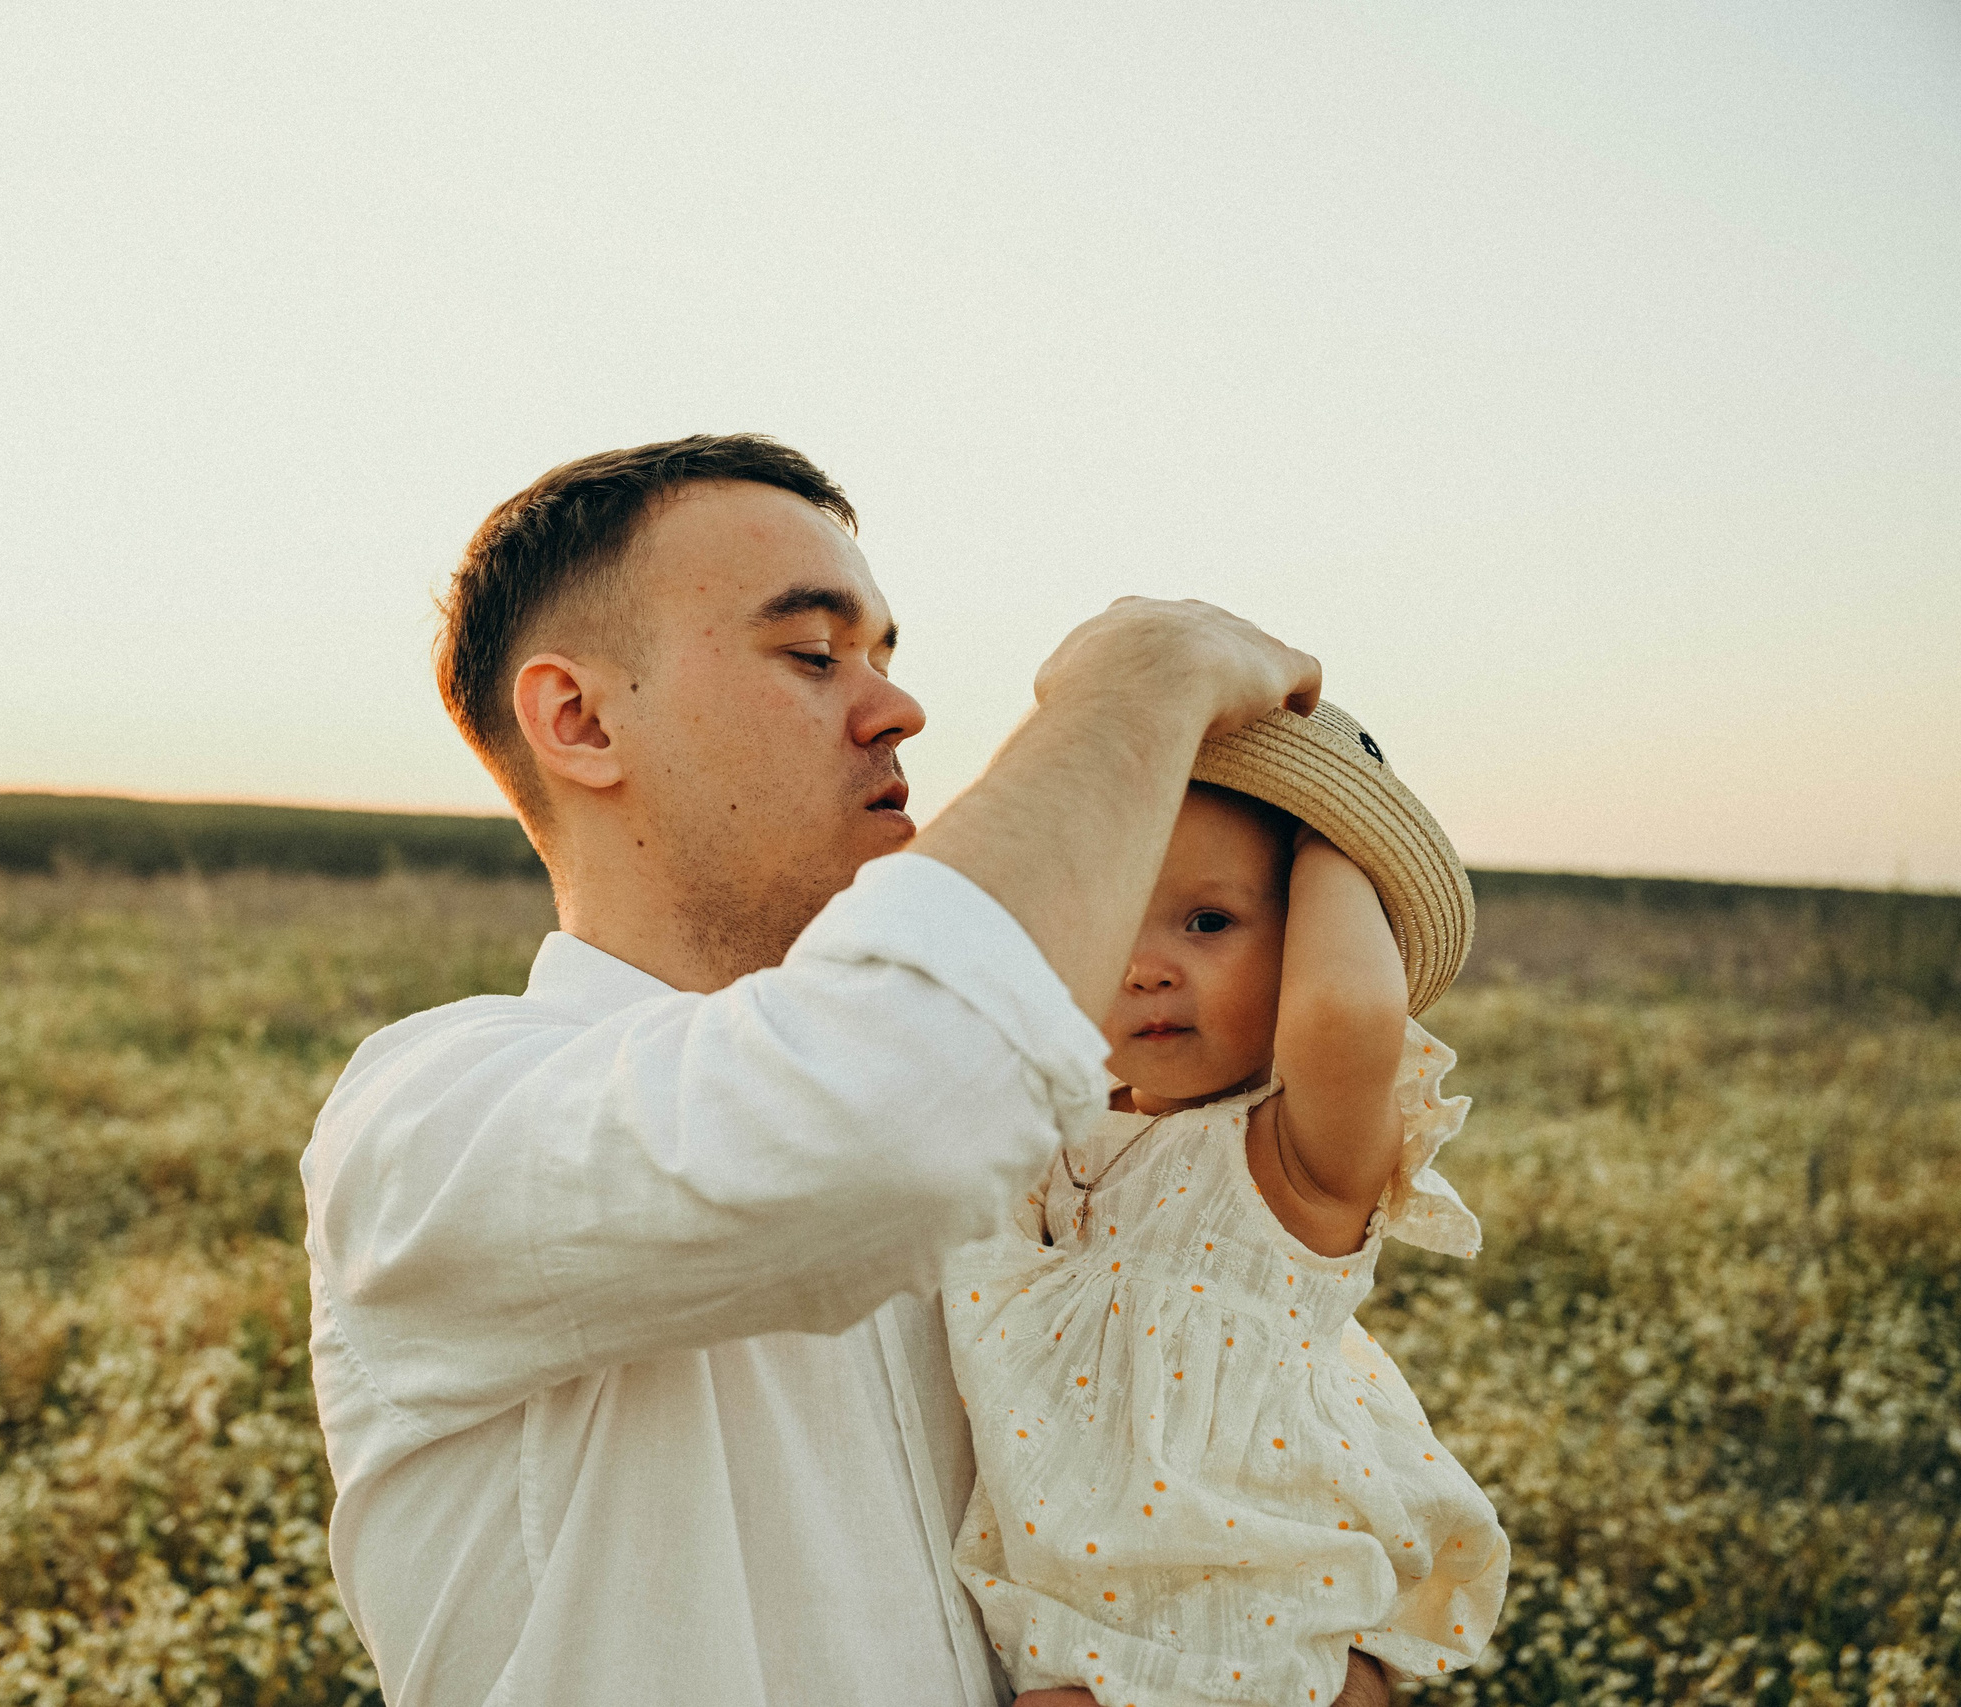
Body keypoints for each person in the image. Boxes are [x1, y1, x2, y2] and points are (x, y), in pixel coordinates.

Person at [300, 434, 1388, 1705]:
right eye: (814, 654)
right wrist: (1143, 684)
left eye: (882, 656)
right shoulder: (427, 1112)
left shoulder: (1066, 1163)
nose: (896, 708)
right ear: (581, 720)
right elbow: (889, 1109)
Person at [944, 715, 1508, 1707]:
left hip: (1252, 1638)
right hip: (1072, 1642)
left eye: (1207, 921)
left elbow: (1347, 1017)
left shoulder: (1289, 1159)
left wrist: (1329, 826)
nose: (1144, 967)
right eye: (1111, 923)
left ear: (1305, 947)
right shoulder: (1061, 1140)